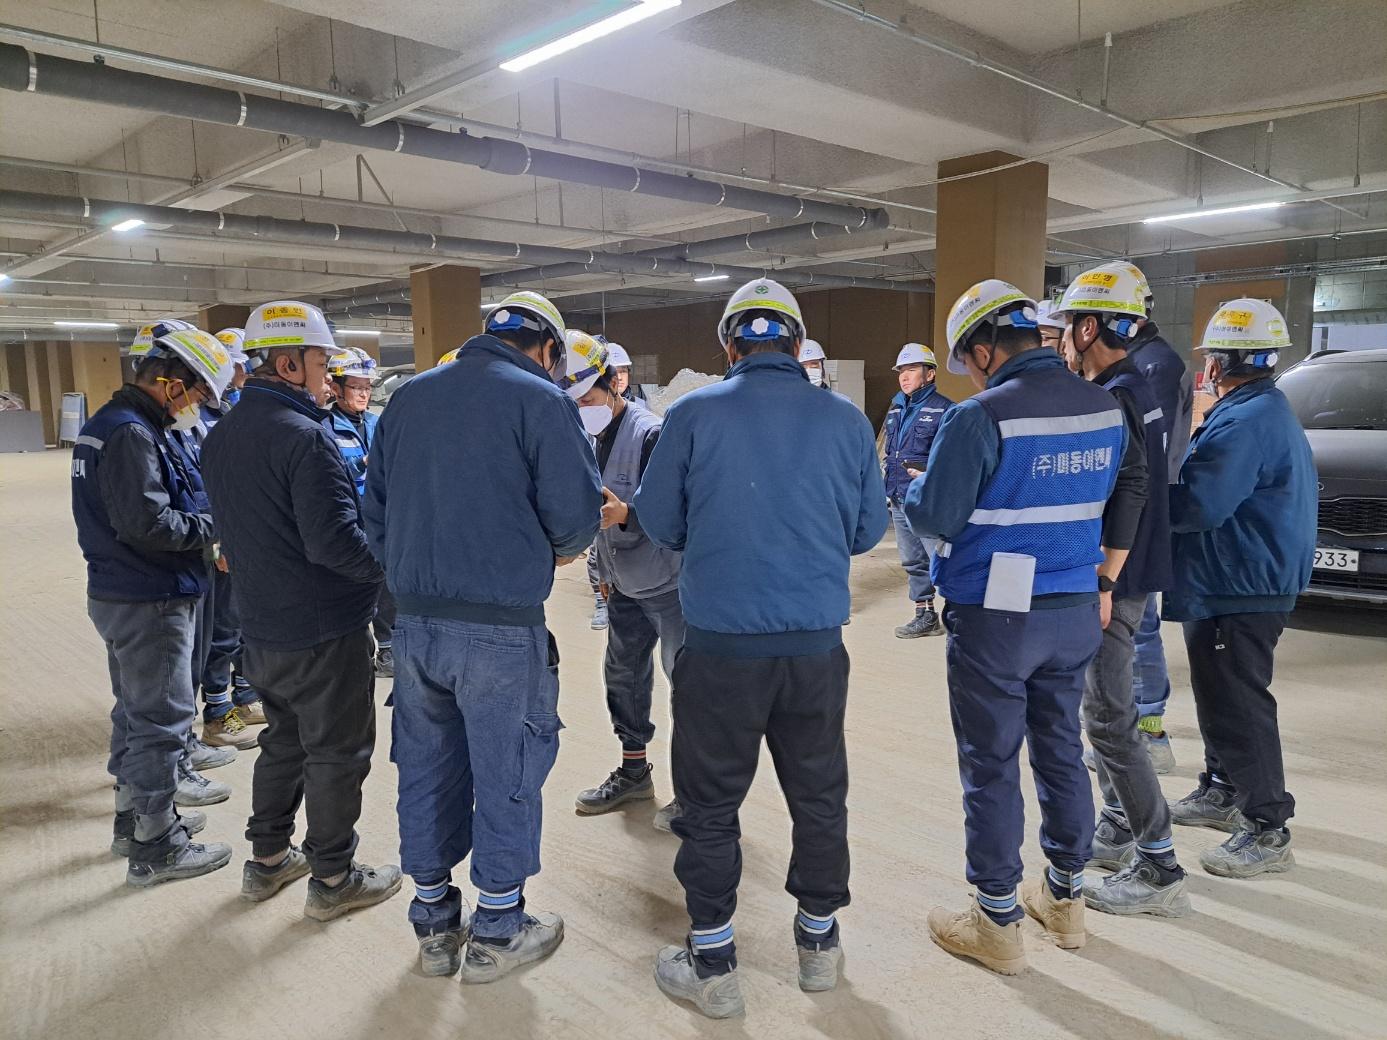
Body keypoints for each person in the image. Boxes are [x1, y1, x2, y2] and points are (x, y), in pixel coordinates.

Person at [633, 278, 888, 1018]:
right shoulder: (845, 420)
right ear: (798, 345)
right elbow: (867, 532)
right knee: (819, 792)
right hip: (814, 648)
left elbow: (659, 521)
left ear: (728, 346)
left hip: (720, 649)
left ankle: (713, 963)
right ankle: (818, 945)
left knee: (710, 803)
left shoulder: (692, 414)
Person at [363, 291, 603, 981]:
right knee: (506, 769)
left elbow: (374, 515)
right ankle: (497, 930)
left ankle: (434, 924)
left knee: (426, 766)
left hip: (414, 629)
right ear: (548, 349)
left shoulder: (407, 398)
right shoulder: (541, 401)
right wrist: (545, 550)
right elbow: (575, 518)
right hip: (499, 629)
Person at [905, 279, 1125, 974]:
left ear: (982, 349)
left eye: (967, 361)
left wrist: (920, 482)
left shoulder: (980, 416)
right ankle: (1064, 900)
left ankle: (996, 920)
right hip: (1074, 607)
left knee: (991, 762)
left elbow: (933, 513)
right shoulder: (1104, 407)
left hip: (999, 617)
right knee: (1060, 748)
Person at [202, 300, 402, 921]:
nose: (329, 378)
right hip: (322, 631)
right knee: (337, 751)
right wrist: (394, 566)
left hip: (262, 627)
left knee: (283, 741)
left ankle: (266, 861)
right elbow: (335, 544)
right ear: (289, 364)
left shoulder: (222, 433)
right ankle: (334, 877)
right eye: (320, 363)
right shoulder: (306, 437)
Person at [72, 325, 238, 886]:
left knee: (135, 712)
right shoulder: (131, 434)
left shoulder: (118, 424)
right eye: (199, 393)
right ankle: (157, 845)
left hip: (123, 591)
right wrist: (219, 526)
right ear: (171, 383)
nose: (198, 405)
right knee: (162, 722)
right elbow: (149, 524)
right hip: (150, 595)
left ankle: (132, 821)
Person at [1057, 264, 1190, 917]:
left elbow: (1125, 491)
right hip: (1132, 567)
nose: (1061, 340)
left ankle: (1158, 864)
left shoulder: (1114, 397)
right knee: (1107, 713)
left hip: (1117, 576)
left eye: (1066, 328)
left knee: (1109, 721)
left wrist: (1104, 577)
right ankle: (1115, 824)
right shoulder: (1137, 385)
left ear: (1088, 328)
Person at [1165, 298, 1314, 878]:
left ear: (1219, 363)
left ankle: (1268, 826)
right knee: (1218, 691)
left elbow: (1201, 504)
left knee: (1239, 702)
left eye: (1210, 358)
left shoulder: (1247, 421)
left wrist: (1139, 502)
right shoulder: (1255, 409)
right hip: (1232, 575)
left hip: (1242, 581)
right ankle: (1223, 788)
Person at [562, 332, 686, 828]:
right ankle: (635, 774)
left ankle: (695, 794)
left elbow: (677, 514)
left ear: (613, 383)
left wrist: (628, 515)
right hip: (622, 585)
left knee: (687, 684)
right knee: (624, 679)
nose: (582, 409)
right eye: (573, 403)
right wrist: (601, 575)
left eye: (587, 399)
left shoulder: (650, 435)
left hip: (669, 586)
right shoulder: (586, 437)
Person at [1123, 263, 1192, 772]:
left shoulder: (1155, 365)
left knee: (1140, 624)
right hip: (1133, 507)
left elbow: (1149, 451)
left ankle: (1150, 731)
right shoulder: (1138, 360)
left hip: (1144, 510)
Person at [326, 347, 395, 677]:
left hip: (380, 516)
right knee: (352, 586)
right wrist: (363, 462)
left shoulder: (377, 422)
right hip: (348, 520)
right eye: (356, 387)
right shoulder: (324, 427)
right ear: (336, 388)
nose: (364, 394)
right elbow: (328, 473)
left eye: (367, 387)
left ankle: (388, 649)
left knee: (387, 586)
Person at [881, 343, 953, 638]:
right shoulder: (896, 408)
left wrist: (932, 475)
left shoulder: (945, 410)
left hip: (927, 500)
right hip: (899, 498)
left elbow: (954, 458)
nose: (904, 376)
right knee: (913, 561)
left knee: (941, 559)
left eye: (911, 369)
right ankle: (925, 615)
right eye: (901, 370)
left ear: (930, 374)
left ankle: (960, 613)